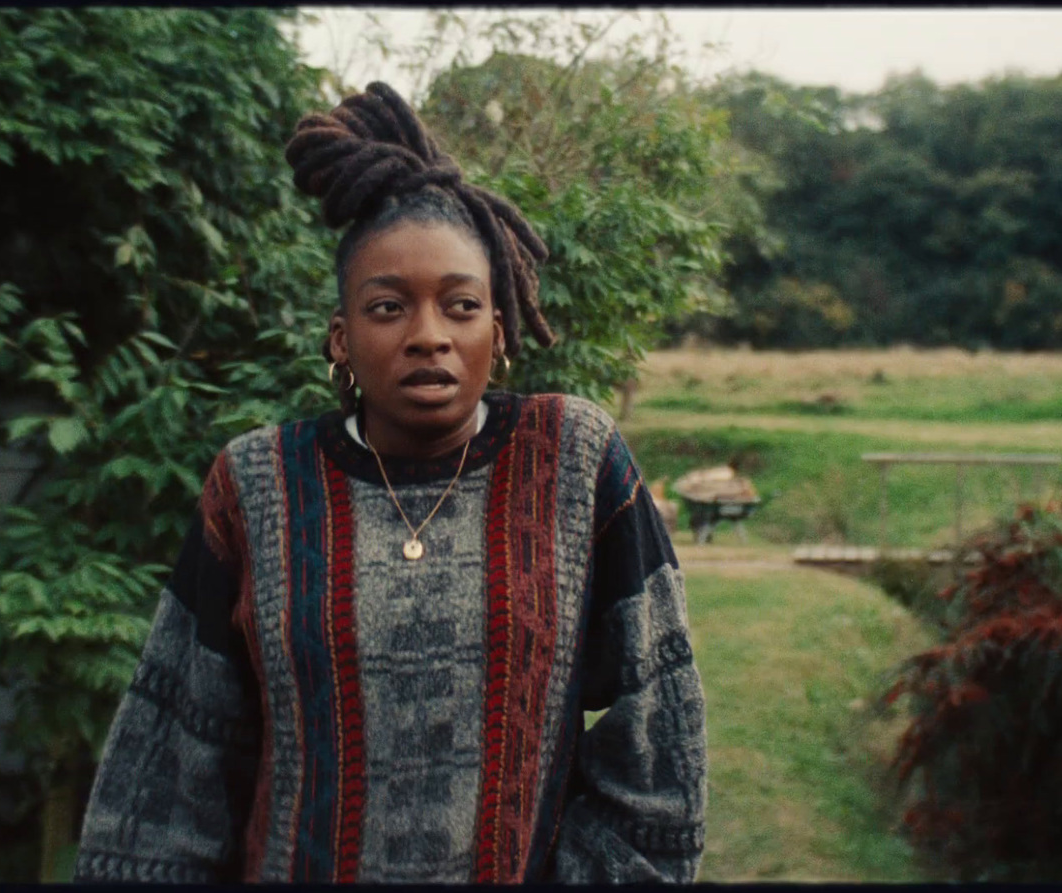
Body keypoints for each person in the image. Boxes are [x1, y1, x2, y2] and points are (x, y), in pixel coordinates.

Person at [73, 82, 705, 884]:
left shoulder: (574, 461)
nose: (429, 336)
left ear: (499, 329)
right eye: (388, 307)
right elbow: (171, 759)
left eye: (461, 305)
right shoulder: (258, 483)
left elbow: (660, 723)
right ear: (341, 338)